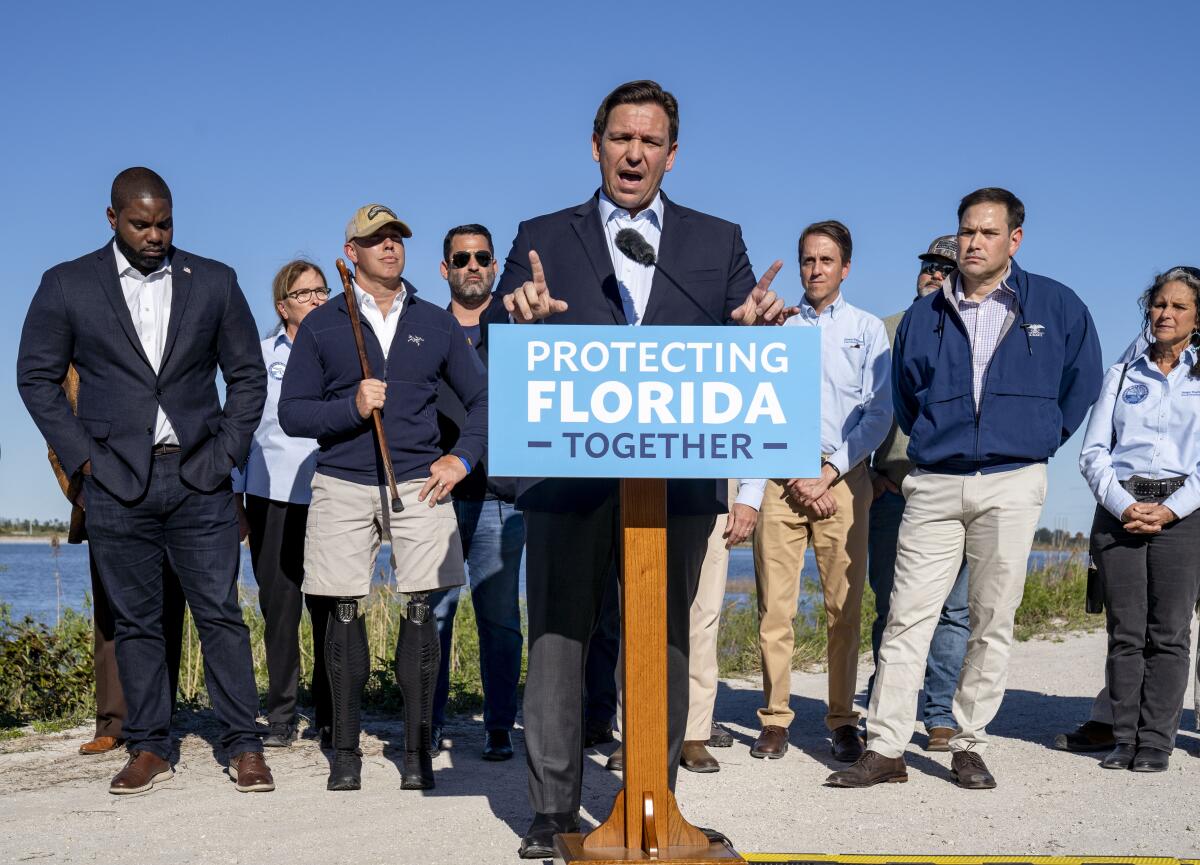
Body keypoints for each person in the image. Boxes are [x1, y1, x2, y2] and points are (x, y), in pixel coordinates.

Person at [494, 79, 792, 859]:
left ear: (672, 153)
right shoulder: (543, 234)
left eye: (650, 140)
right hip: (567, 476)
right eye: (621, 138)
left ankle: (654, 795)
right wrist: (512, 316)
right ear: (596, 146)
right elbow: (496, 336)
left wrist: (755, 327)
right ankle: (555, 810)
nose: (634, 152)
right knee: (557, 636)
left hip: (678, 476)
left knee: (664, 637)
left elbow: (742, 331)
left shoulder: (716, 239)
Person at [828, 187, 1102, 790]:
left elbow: (1083, 380)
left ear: (1014, 239)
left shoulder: (1056, 305)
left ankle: (968, 743)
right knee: (905, 617)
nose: (974, 243)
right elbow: (903, 394)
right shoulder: (924, 317)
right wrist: (935, 439)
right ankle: (887, 748)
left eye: (986, 232)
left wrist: (1042, 434)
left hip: (1013, 479)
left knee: (990, 618)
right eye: (967, 232)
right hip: (934, 483)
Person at [17, 167, 273, 795]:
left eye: (164, 223)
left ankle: (243, 743)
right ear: (112, 219)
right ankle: (150, 744)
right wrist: (85, 461)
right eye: (141, 223)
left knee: (220, 615)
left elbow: (248, 379)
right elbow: (35, 378)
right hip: (114, 481)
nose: (155, 234)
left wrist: (224, 455)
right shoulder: (67, 284)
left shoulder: (214, 281)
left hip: (199, 478)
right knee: (136, 622)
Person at [278, 204, 487, 792]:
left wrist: (460, 458)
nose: (390, 247)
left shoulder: (435, 321)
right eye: (376, 240)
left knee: (422, 612)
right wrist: (351, 407)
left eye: (396, 237)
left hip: (420, 480)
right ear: (352, 253)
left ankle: (417, 754)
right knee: (343, 613)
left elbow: (484, 400)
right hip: (342, 483)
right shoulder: (323, 324)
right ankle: (345, 752)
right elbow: (292, 412)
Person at [750, 220, 891, 763]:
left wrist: (828, 472)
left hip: (843, 481)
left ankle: (841, 720)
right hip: (782, 481)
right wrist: (796, 476)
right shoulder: (780, 326)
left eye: (826, 261)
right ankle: (775, 720)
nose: (814, 270)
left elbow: (878, 412)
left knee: (844, 610)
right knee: (774, 611)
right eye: (807, 260)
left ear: (845, 268)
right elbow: (761, 403)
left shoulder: (867, 328)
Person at [1078, 265, 1200, 773]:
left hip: (1183, 515)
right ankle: (1123, 738)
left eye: (1178, 306)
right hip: (1120, 511)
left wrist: (1170, 508)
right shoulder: (1124, 373)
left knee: (1168, 633)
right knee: (1125, 632)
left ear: (1198, 316)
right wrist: (1122, 503)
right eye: (1159, 304)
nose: (1165, 314)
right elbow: (1093, 452)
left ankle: (1157, 741)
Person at [46, 366, 187, 756]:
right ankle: (112, 722)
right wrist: (82, 494)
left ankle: (160, 717)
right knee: (110, 612)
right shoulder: (78, 358)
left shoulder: (164, 338)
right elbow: (57, 435)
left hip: (170, 486)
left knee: (168, 605)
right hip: (105, 493)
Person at [865, 235, 969, 752]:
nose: (935, 274)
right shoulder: (885, 331)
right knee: (891, 605)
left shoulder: (972, 332)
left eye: (946, 269)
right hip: (892, 488)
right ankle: (885, 695)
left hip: (951, 487)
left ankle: (938, 709)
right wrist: (872, 476)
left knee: (953, 609)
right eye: (929, 265)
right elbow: (855, 407)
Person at [427, 224, 524, 762]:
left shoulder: (514, 328)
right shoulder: (423, 328)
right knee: (434, 615)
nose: (471, 265)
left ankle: (499, 725)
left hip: (500, 495)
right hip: (437, 497)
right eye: (461, 257)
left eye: (481, 257)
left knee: (501, 621)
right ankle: (428, 722)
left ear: (492, 267)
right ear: (445, 268)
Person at [232, 259, 330, 748]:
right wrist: (234, 496)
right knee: (281, 610)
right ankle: (283, 714)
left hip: (332, 496)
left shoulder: (344, 352)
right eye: (304, 293)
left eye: (321, 291)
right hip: (271, 497)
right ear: (282, 306)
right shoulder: (260, 355)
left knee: (332, 608)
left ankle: (334, 714)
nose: (315, 300)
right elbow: (239, 426)